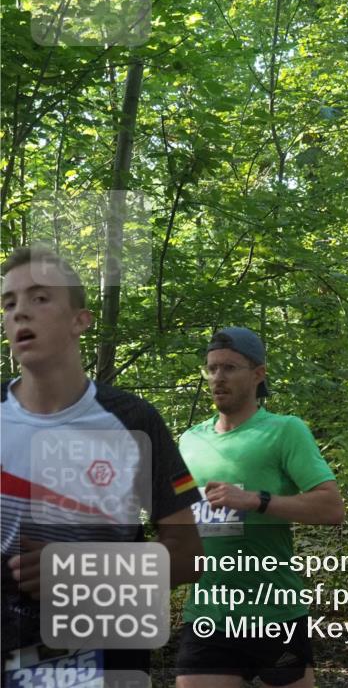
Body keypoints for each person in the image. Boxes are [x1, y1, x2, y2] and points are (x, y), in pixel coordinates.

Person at [1, 247, 203, 684]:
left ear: (80, 320)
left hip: (103, 662)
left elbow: (189, 555)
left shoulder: (133, 421)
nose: (20, 313)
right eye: (9, 303)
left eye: (39, 298)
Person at [175, 327, 345, 688]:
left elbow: (331, 507)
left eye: (229, 367)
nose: (218, 377)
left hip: (276, 615)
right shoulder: (189, 441)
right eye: (211, 368)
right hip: (208, 616)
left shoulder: (285, 431)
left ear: (258, 374)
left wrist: (256, 500)